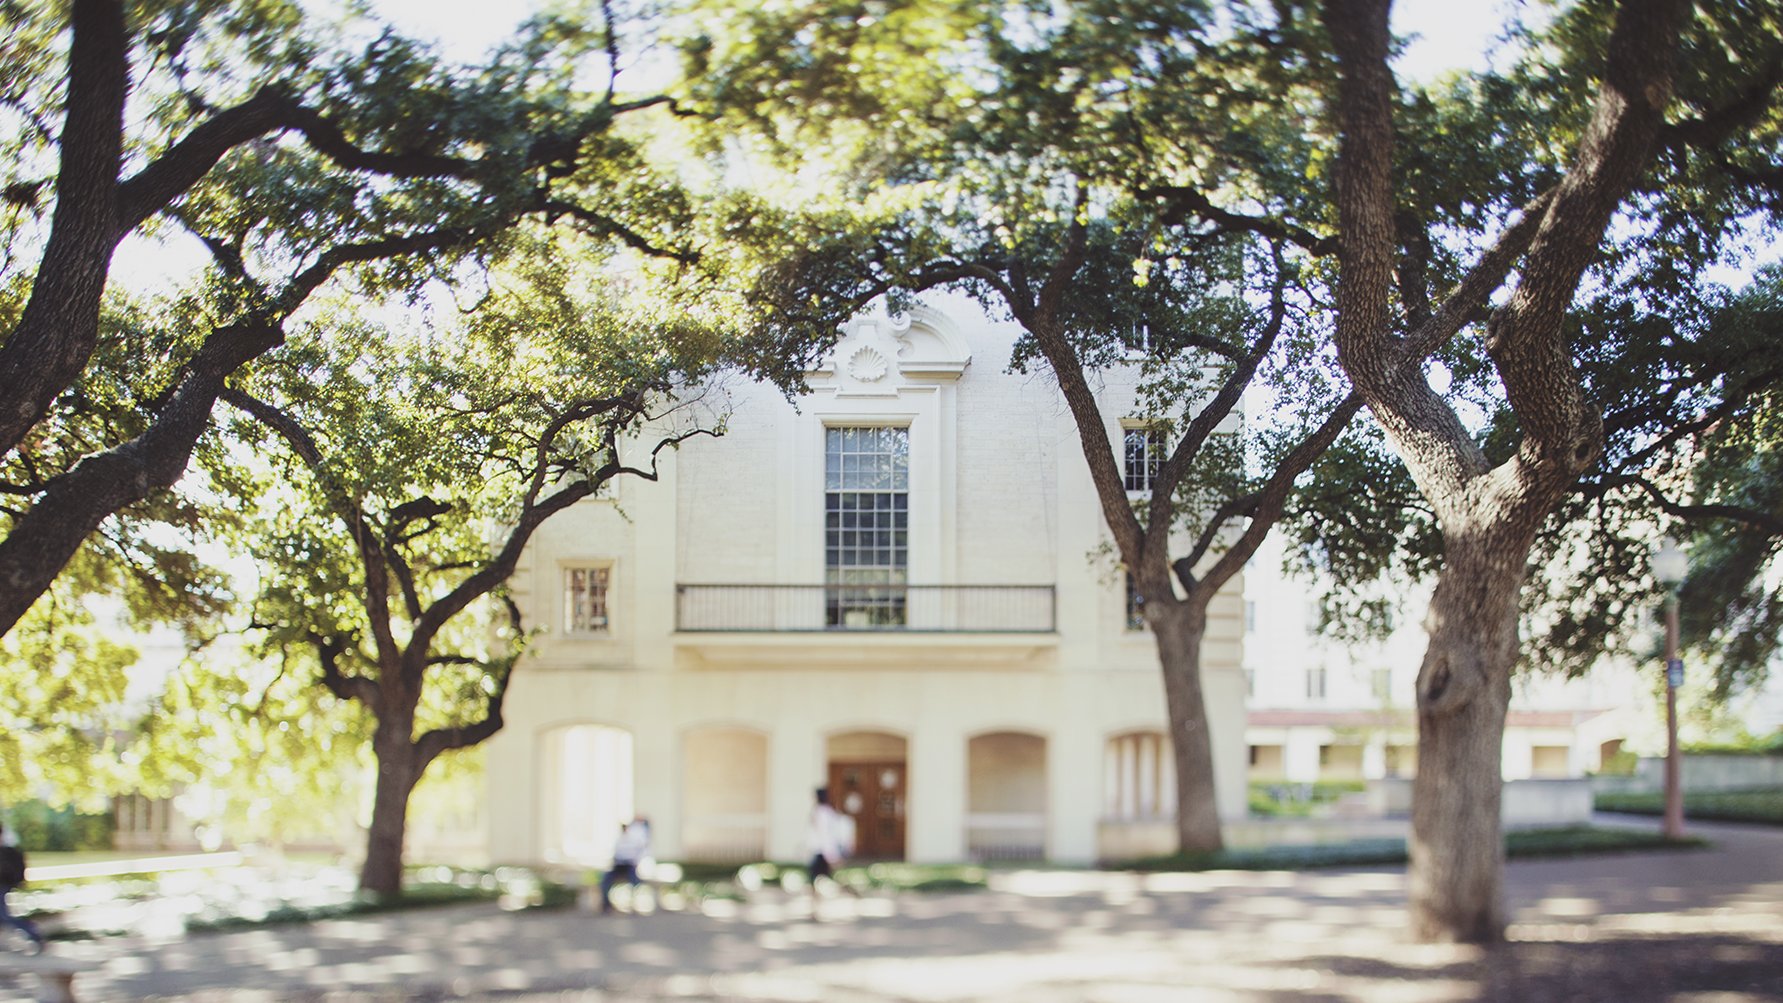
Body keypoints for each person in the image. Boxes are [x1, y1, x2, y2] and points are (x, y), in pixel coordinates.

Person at [0, 824, 43, 954]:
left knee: (4, 916)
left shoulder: (8, 853)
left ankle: (34, 933)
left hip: (2, 885)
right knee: (3, 915)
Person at [598, 815, 651, 914]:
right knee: (604, 881)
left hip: (629, 865)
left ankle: (633, 904)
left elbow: (639, 852)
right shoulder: (618, 840)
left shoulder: (634, 839)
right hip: (618, 866)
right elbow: (615, 854)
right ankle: (606, 905)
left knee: (635, 882)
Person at [806, 787, 852, 895]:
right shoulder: (825, 811)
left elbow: (825, 833)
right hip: (821, 848)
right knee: (822, 874)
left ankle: (822, 893)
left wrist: (830, 851)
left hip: (822, 848)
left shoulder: (822, 813)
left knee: (818, 874)